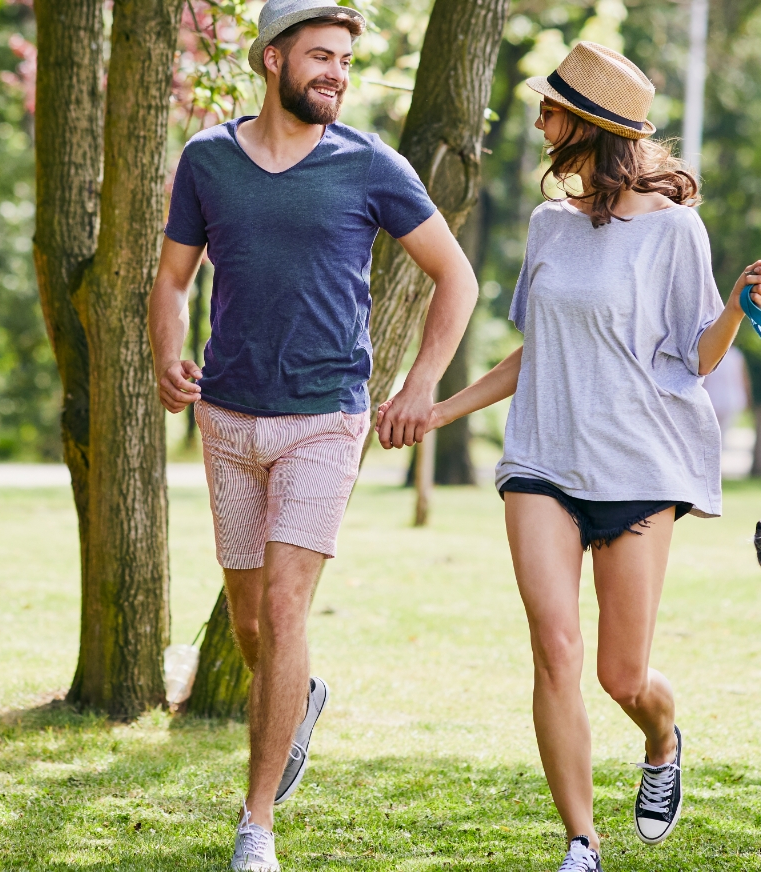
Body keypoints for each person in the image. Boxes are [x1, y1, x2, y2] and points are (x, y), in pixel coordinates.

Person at [381, 42, 761, 872]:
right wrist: (441, 408)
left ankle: (663, 739)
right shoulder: (547, 225)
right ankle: (581, 844)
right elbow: (539, 351)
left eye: (552, 109)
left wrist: (737, 305)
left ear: (591, 128)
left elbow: (697, 358)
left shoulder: (675, 232)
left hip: (640, 465)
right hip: (543, 459)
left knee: (622, 675)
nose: (539, 121)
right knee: (554, 647)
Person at [147, 0, 479, 867]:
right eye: (320, 56)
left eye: (343, 59)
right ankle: (302, 696)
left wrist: (417, 382)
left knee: (289, 607)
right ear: (271, 60)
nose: (335, 72)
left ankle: (255, 824)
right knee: (254, 625)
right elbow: (173, 278)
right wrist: (167, 355)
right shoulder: (208, 160)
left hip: (326, 418)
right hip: (226, 414)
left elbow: (456, 278)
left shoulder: (370, 164)